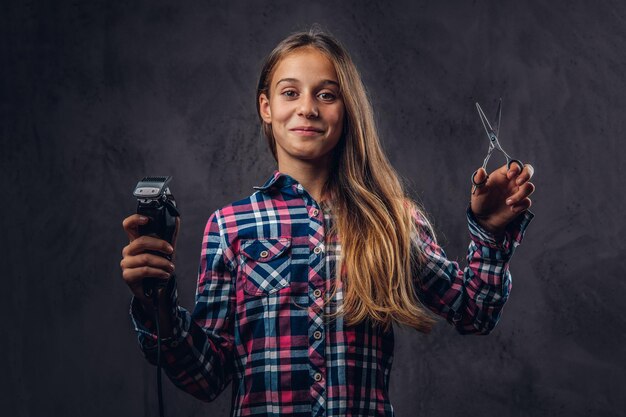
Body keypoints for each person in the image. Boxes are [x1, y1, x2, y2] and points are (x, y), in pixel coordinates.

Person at [120, 28, 535, 417]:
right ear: (267, 107)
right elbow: (206, 377)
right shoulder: (231, 227)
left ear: (347, 107)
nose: (307, 108)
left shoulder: (392, 221)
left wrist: (491, 232)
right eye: (290, 93)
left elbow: (476, 311)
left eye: (326, 94)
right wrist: (156, 307)